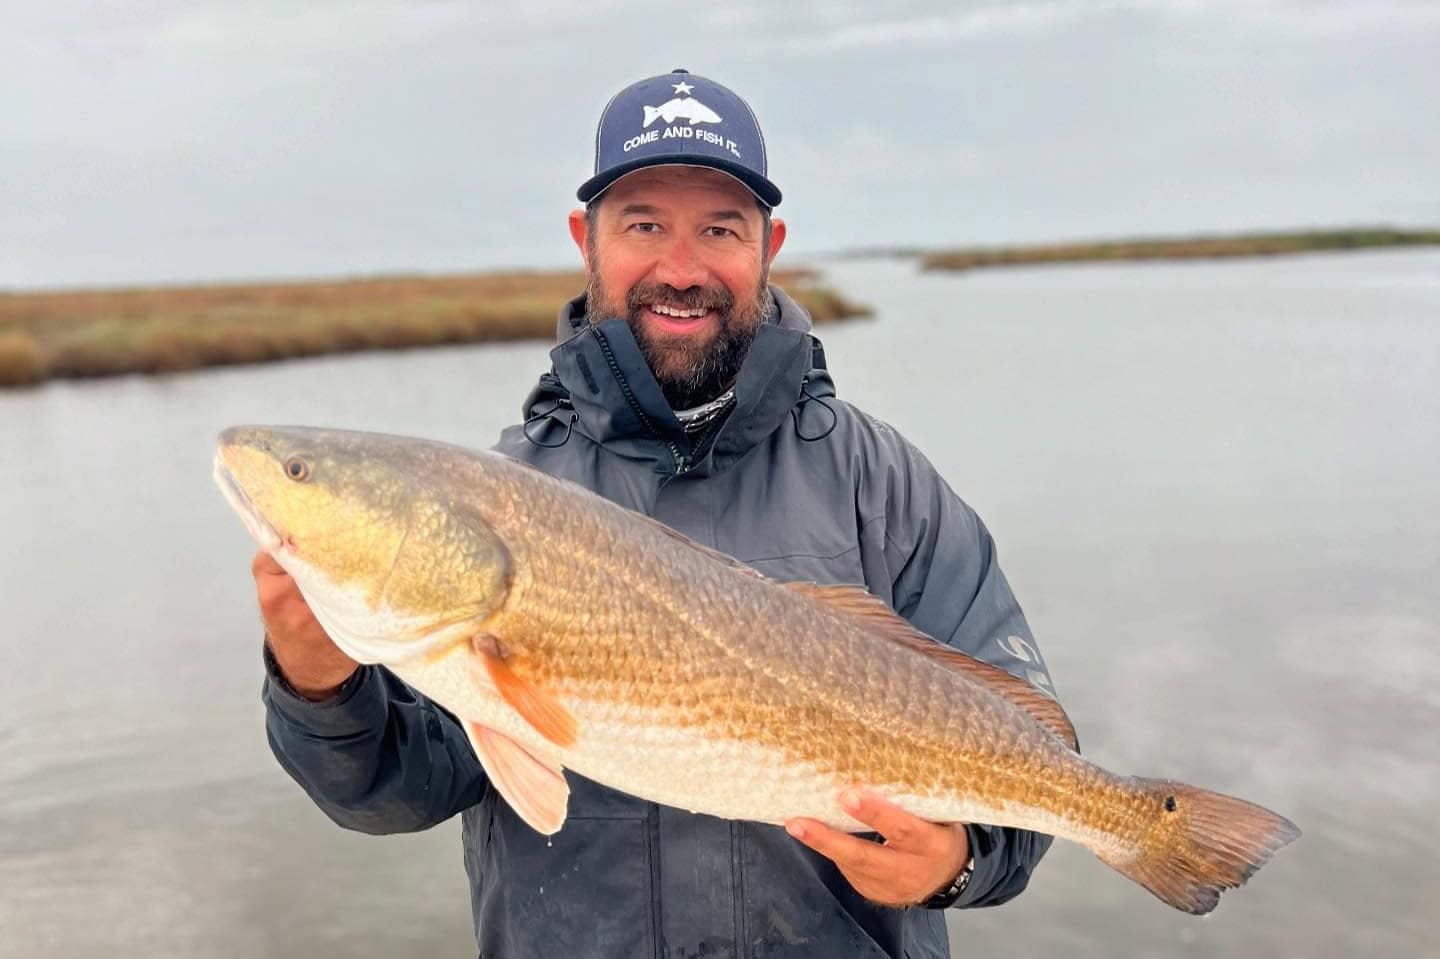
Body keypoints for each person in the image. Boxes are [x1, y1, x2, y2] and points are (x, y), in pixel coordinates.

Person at [255, 69, 1061, 958]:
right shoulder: (503, 500)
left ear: (770, 245)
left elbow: (1031, 773)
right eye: (644, 225)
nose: (682, 268)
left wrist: (953, 861)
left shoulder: (886, 486)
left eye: (720, 229)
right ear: (586, 241)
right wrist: (320, 686)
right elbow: (395, 790)